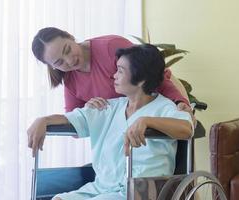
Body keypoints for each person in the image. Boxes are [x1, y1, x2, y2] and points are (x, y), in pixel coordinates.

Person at [27, 44, 193, 200]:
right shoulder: (109, 107)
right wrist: (43, 120)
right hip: (102, 187)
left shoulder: (164, 107)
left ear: (141, 79)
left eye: (120, 71)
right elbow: (74, 118)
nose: (114, 75)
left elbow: (186, 129)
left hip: (140, 191)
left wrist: (148, 121)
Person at [31, 27, 192, 113]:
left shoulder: (111, 47)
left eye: (67, 50)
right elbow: (75, 123)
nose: (70, 61)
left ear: (70, 37)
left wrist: (180, 102)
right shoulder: (70, 80)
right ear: (52, 67)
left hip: (163, 102)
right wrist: (88, 111)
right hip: (130, 125)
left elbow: (153, 75)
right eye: (60, 62)